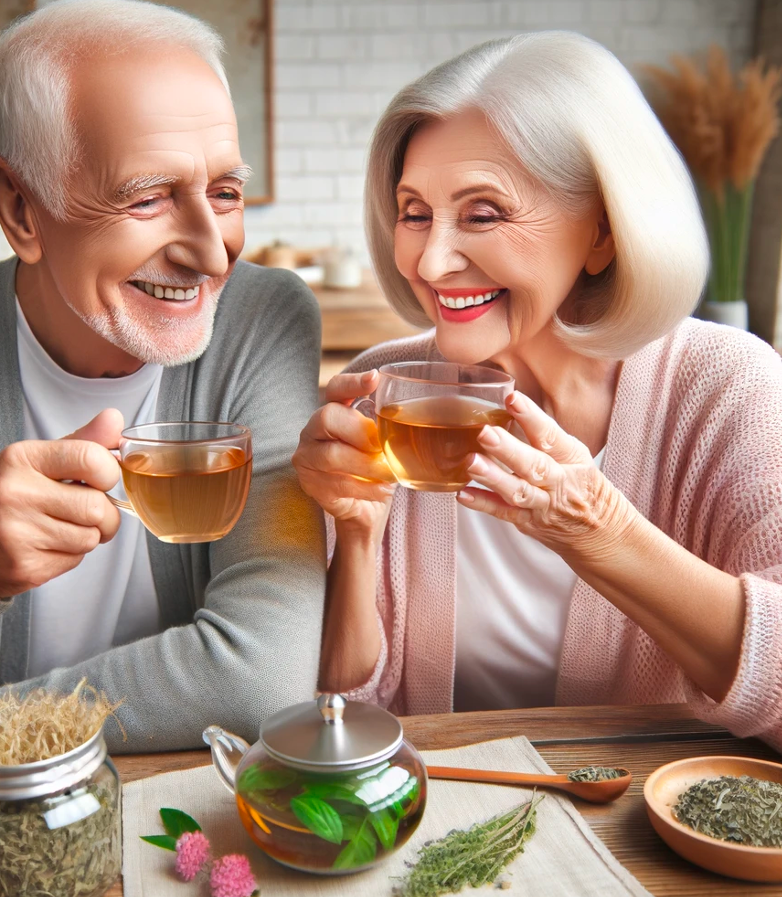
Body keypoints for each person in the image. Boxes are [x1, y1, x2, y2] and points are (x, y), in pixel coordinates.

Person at [0, 0, 325, 764]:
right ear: (19, 209)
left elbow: (259, 677)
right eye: (147, 197)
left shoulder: (263, 319)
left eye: (226, 192)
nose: (211, 254)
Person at [294, 31, 782, 750]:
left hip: (642, 834)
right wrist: (357, 536)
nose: (430, 259)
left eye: (483, 213)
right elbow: (342, 716)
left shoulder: (726, 387)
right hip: (441, 821)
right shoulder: (382, 390)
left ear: (601, 232)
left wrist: (599, 532)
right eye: (414, 211)